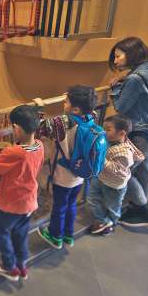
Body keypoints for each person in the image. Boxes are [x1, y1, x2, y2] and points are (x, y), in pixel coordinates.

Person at [0, 105, 44, 282]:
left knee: (2, 232)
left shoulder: (14, 152)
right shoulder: (38, 146)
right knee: (21, 234)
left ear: (16, 128)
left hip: (10, 204)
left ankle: (9, 267)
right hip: (29, 203)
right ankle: (22, 264)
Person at [108, 37, 148, 227]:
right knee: (144, 171)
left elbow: (121, 107)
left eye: (118, 56)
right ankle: (137, 206)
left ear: (131, 54)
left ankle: (144, 210)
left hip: (140, 135)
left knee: (124, 172)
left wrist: (116, 86)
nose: (115, 61)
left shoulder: (134, 79)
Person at [36, 85, 100, 249]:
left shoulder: (62, 124)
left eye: (66, 102)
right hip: (79, 175)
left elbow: (39, 127)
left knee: (59, 206)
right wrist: (73, 98)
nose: (64, 104)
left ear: (76, 109)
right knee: (71, 204)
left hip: (63, 176)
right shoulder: (91, 117)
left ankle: (55, 236)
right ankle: (68, 235)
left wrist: (39, 107)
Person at [87, 114, 145, 235]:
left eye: (108, 129)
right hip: (101, 177)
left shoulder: (125, 153)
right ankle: (102, 220)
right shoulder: (109, 141)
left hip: (114, 185)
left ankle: (111, 223)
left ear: (122, 134)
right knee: (92, 198)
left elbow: (116, 168)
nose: (104, 132)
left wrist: (100, 158)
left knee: (113, 206)